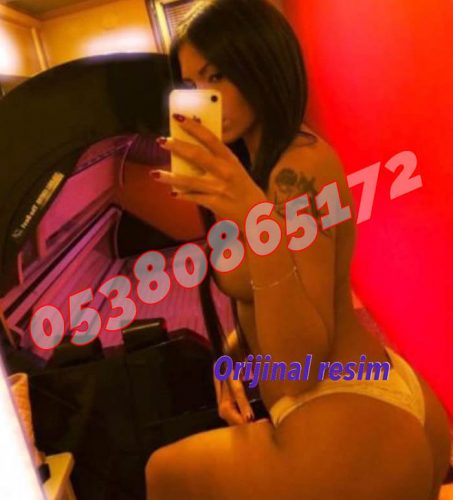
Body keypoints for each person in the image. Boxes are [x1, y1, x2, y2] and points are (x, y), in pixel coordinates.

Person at [145, 0, 451, 498]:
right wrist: (236, 354)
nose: (205, 99)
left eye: (217, 76)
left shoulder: (297, 170)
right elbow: (275, 291)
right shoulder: (256, 168)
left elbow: (300, 361)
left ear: (262, 65)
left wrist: (254, 217)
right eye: (192, 85)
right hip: (362, 396)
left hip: (342, 404)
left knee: (163, 472)